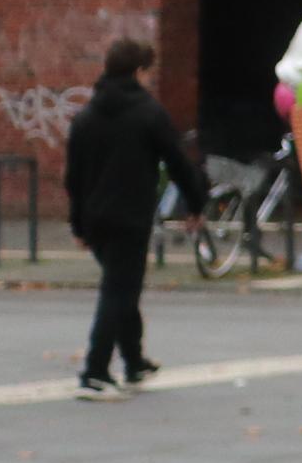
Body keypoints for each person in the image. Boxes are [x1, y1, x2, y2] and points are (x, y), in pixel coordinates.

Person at [63, 38, 207, 399]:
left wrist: (78, 225)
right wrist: (195, 204)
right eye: (149, 72)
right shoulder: (148, 113)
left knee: (121, 287)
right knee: (119, 291)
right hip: (130, 217)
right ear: (139, 71)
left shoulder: (86, 116)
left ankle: (134, 360)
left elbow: (73, 177)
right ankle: (95, 373)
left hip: (96, 219)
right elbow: (177, 161)